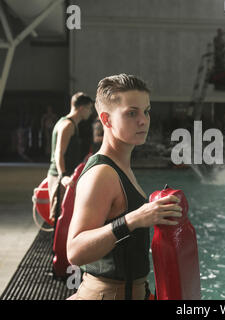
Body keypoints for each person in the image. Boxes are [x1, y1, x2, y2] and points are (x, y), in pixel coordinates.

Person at [67, 74, 183, 300]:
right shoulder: (102, 174)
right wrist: (134, 219)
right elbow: (75, 251)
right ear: (107, 119)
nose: (143, 120)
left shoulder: (121, 167)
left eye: (146, 111)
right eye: (132, 113)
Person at [47, 92, 94, 223]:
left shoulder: (70, 124)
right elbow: (59, 152)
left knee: (63, 217)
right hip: (60, 177)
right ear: (81, 108)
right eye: (89, 108)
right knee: (59, 218)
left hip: (64, 176)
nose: (90, 112)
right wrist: (63, 176)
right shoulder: (68, 125)